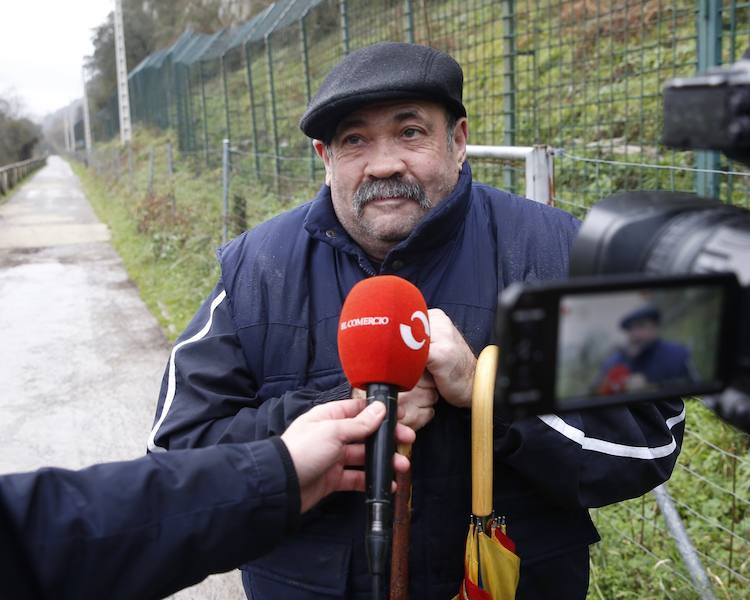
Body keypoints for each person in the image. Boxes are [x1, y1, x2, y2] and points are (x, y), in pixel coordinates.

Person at [147, 42, 686, 599]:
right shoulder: (254, 269)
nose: (383, 164)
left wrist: (487, 392)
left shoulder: (558, 251)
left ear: (457, 141)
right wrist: (342, 412)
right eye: (354, 139)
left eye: (410, 132)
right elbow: (177, 455)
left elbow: (651, 435)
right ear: (324, 157)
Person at [0, 399, 414, 600]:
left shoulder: (482, 237)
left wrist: (474, 381)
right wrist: (280, 468)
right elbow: (178, 439)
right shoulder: (247, 264)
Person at [595, 304, 696, 396]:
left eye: (641, 326)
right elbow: (598, 393)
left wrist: (651, 387)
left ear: (654, 327)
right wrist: (622, 387)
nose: (635, 334)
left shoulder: (676, 355)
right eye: (631, 329)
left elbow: (693, 389)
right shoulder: (615, 361)